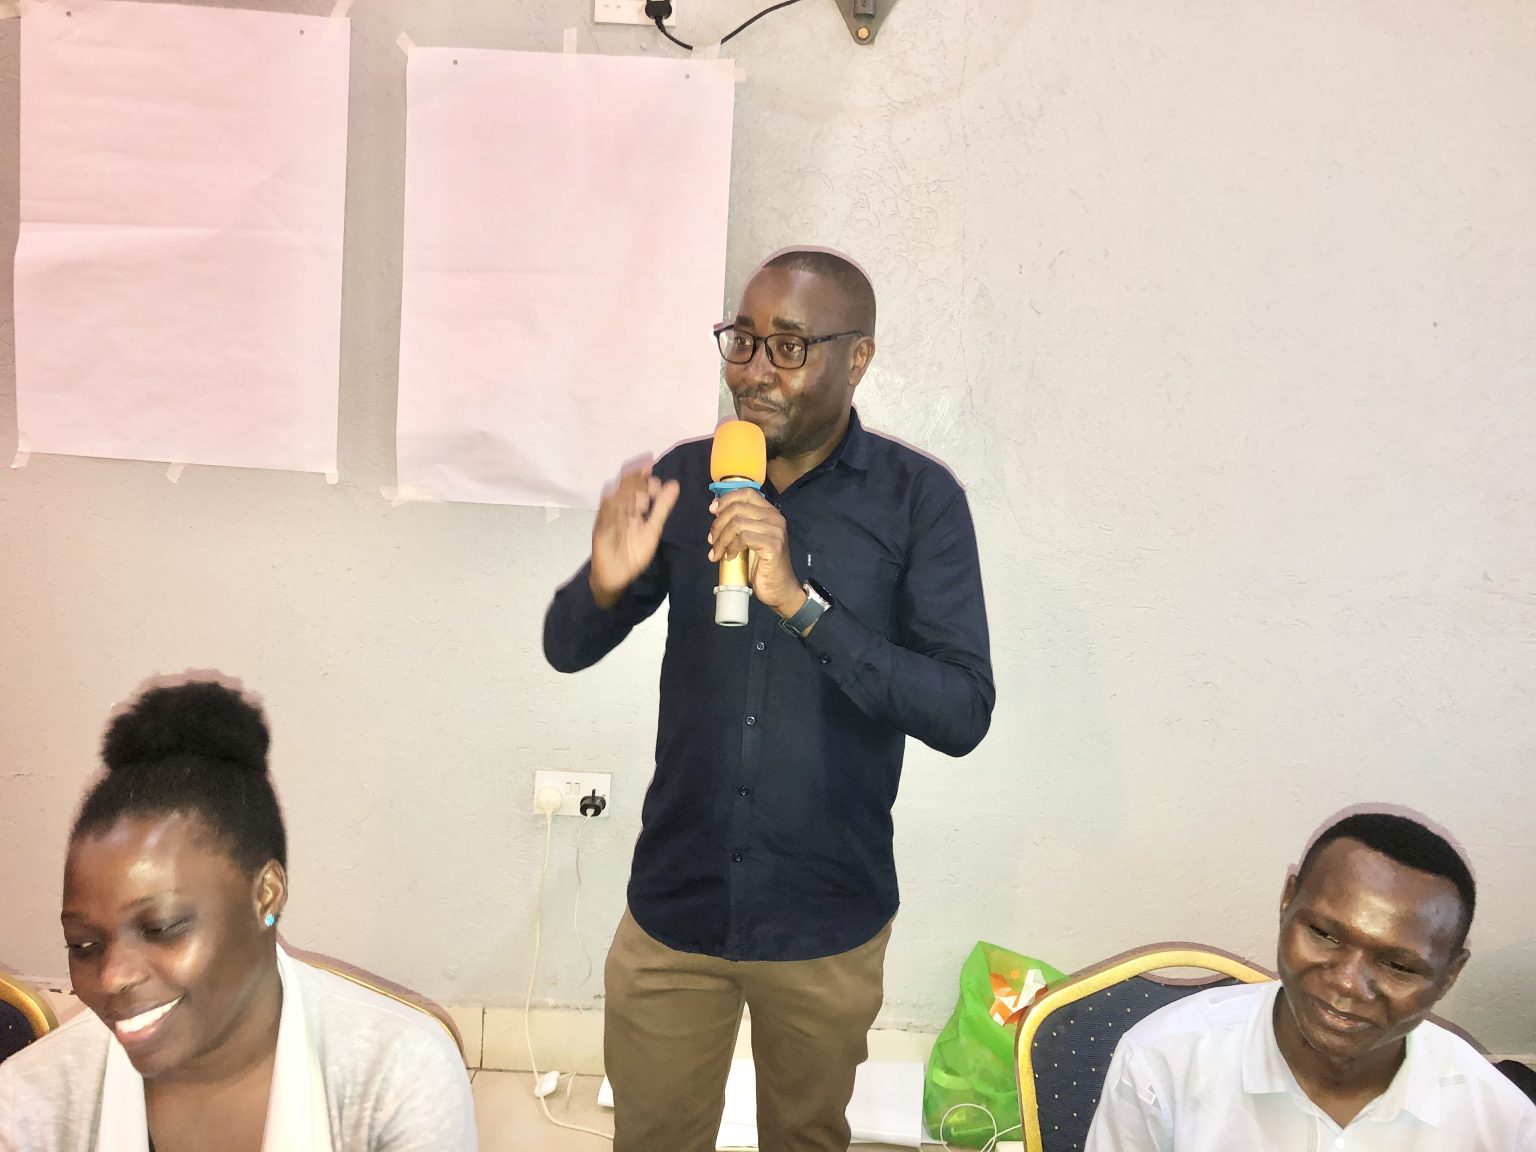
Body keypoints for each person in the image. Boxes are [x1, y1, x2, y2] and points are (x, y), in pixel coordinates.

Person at [544, 248, 995, 1151]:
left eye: (787, 348)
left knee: (806, 1140)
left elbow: (960, 712)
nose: (752, 370)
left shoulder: (919, 504)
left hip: (826, 918)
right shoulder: (688, 477)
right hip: (677, 908)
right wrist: (600, 586)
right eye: (742, 340)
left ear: (856, 357)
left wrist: (802, 605)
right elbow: (565, 648)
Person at [0, 678, 477, 1152]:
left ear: (266, 896)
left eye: (161, 928)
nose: (111, 978)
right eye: (83, 944)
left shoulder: (396, 1077)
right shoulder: (28, 1105)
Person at [1084, 811, 1536, 1151]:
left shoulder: (1499, 1122)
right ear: (1287, 902)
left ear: (1450, 974)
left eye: (1398, 966)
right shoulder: (1161, 1065)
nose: (1347, 984)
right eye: (1323, 934)